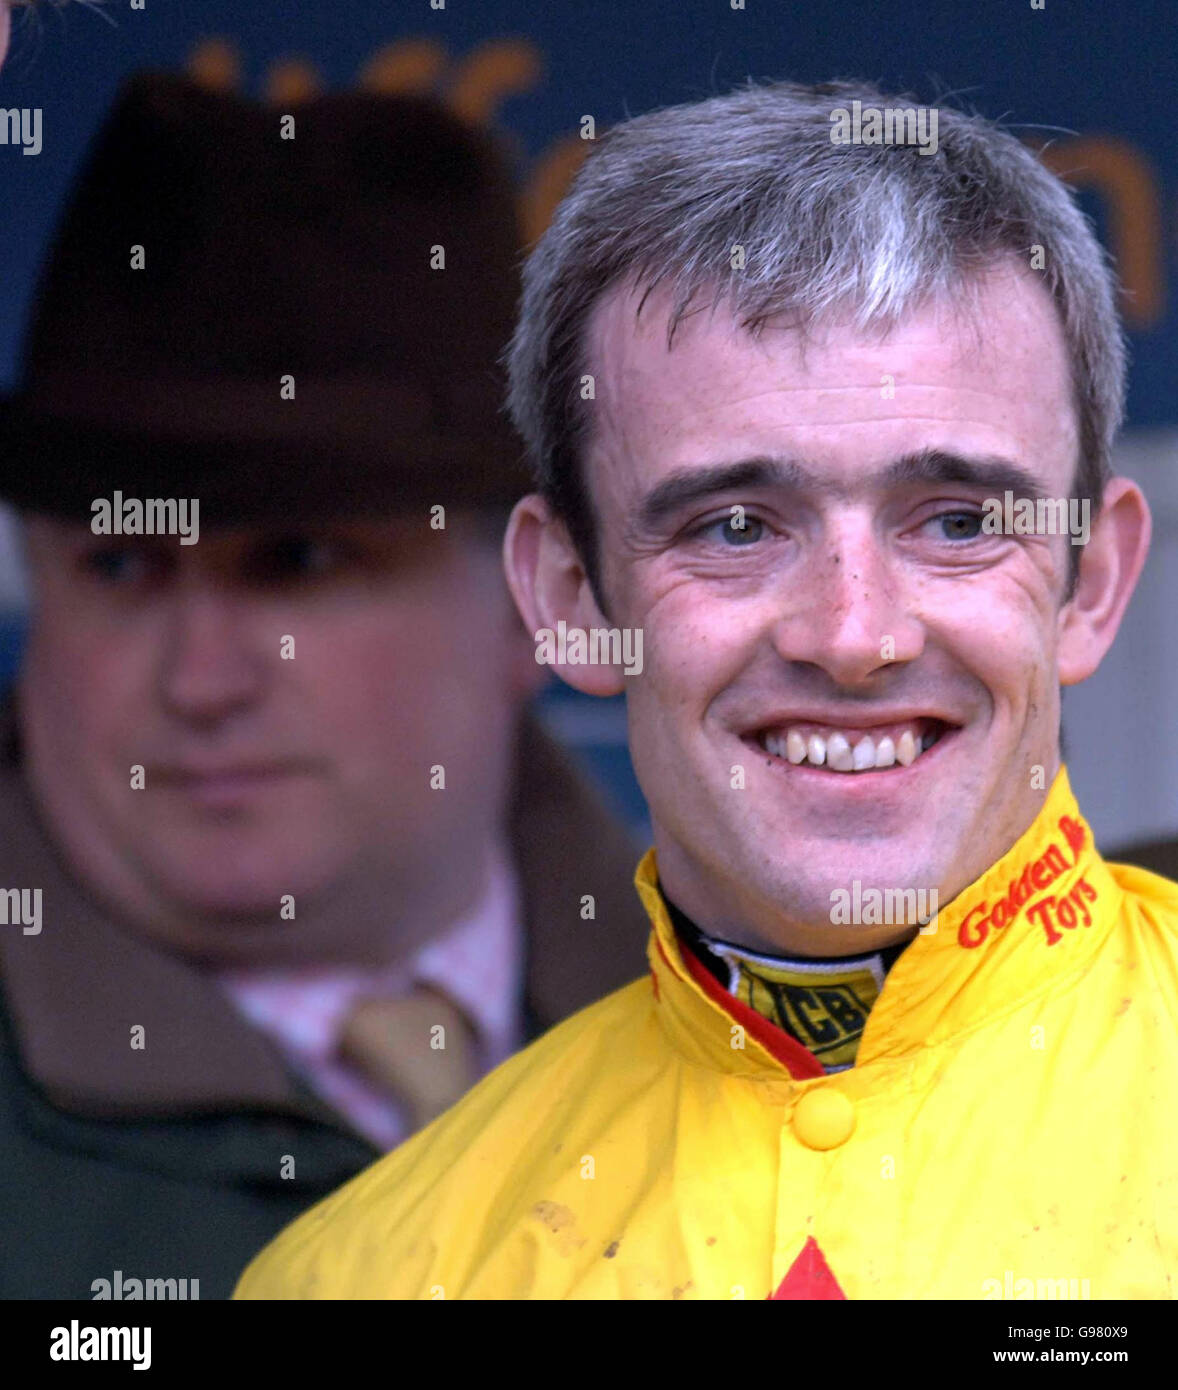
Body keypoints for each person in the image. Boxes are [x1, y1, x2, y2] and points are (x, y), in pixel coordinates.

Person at [235, 76, 1176, 1302]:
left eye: (953, 520)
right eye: (734, 525)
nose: (851, 635)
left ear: (1090, 580)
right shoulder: (362, 1277)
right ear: (570, 598)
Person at [0, 72, 648, 1299]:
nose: (201, 680)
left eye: (296, 560)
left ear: (540, 601)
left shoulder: (786, 1030)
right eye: (121, 564)